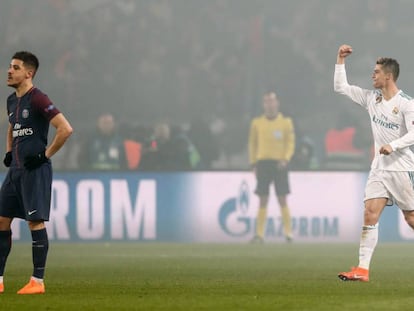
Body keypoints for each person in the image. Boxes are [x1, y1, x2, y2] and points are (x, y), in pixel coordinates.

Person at [334, 44, 414, 282]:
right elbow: (341, 88)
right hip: (379, 168)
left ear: (388, 76)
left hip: (401, 167)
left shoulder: (407, 103)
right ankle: (362, 269)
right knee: (370, 213)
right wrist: (340, 60)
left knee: (411, 218)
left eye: (376, 72)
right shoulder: (372, 99)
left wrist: (394, 145)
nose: (372, 75)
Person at [0, 51, 73, 294]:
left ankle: (37, 281)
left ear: (28, 73)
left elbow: (65, 128)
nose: (9, 71)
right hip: (15, 172)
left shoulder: (39, 99)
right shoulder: (12, 100)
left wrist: (45, 155)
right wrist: (9, 152)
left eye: (16, 67)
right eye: (10, 66)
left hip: (35, 171)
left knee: (34, 221)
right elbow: (12, 127)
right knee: (1, 220)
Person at [248, 92, 295, 243]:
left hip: (279, 164)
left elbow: (290, 143)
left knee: (282, 198)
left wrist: (285, 159)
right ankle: (259, 234)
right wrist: (253, 163)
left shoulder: (286, 122)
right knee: (263, 198)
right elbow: (252, 144)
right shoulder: (257, 123)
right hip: (263, 164)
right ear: (263, 104)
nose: (269, 104)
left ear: (277, 103)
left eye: (272, 101)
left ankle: (288, 233)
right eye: (266, 101)